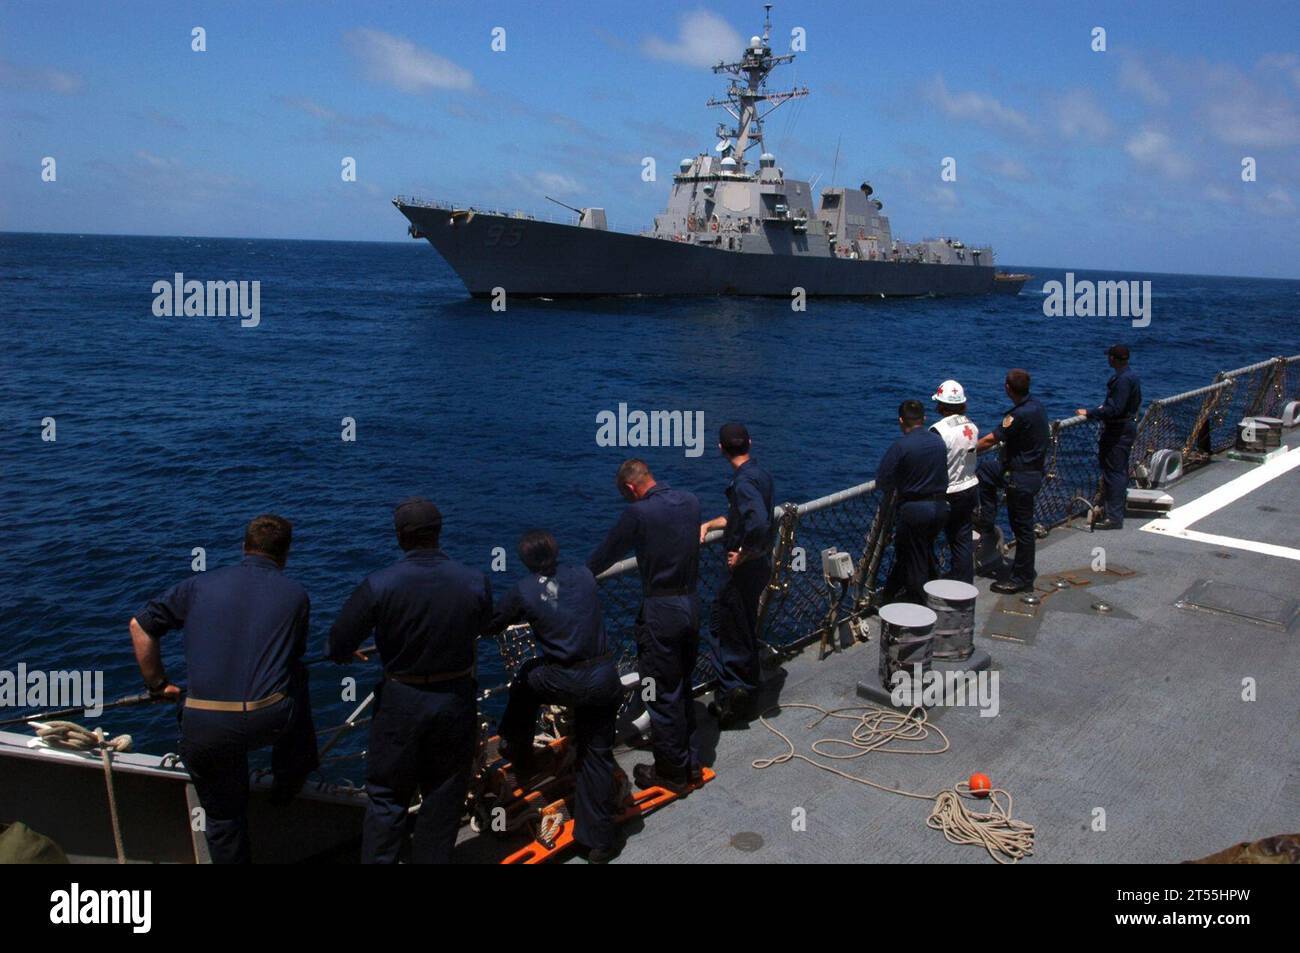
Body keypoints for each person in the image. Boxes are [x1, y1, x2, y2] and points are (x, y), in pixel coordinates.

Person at [129, 514, 318, 864]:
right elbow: (292, 656)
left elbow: (140, 627)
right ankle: (289, 780)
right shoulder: (296, 595)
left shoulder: (197, 586)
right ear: (285, 554)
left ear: (244, 547)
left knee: (223, 817)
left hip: (206, 725)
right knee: (298, 676)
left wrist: (158, 684)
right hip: (268, 719)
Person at [328, 498, 491, 864]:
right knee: (444, 793)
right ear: (439, 532)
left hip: (401, 699)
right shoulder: (474, 580)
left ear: (400, 536)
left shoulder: (379, 584)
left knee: (387, 795)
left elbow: (339, 643)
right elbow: (483, 624)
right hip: (454, 697)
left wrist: (347, 652)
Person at [484, 530, 623, 863]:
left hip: (566, 680)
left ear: (525, 560)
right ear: (556, 552)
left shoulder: (524, 590)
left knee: (527, 678)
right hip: (605, 677)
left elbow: (491, 624)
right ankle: (599, 843)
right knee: (596, 755)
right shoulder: (585, 575)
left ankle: (516, 747)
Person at [588, 459, 701, 794]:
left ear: (629, 488)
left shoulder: (638, 514)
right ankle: (690, 762)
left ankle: (671, 772)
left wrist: (575, 577)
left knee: (661, 690)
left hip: (661, 610)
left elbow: (605, 555)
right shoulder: (691, 501)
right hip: (691, 604)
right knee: (683, 684)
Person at [699, 422, 775, 727]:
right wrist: (710, 524)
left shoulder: (743, 483)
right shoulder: (760, 474)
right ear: (749, 443)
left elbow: (758, 522)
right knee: (742, 627)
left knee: (725, 629)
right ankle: (747, 688)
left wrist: (744, 553)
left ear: (720, 449)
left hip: (743, 569)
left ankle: (733, 697)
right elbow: (742, 515)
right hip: (759, 565)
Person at [975, 369, 1051, 594]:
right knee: (986, 471)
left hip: (1021, 477)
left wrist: (966, 450)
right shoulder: (1037, 407)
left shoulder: (1017, 415)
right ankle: (987, 519)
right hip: (1033, 472)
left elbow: (991, 440)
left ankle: (1021, 579)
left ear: (1008, 388)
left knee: (1022, 529)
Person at [876, 400, 950, 605]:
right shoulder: (938, 442)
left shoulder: (901, 446)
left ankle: (919, 605)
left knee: (914, 560)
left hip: (915, 510)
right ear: (923, 418)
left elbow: (883, 479)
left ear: (901, 420)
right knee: (922, 552)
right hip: (940, 508)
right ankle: (890, 595)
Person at [1076, 344, 1142, 530]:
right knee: (1118, 471)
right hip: (1126, 426)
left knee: (1115, 473)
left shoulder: (1122, 380)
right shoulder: (1131, 376)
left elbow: (1115, 409)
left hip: (1118, 430)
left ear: (1113, 358)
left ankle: (1114, 517)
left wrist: (1090, 412)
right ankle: (1113, 511)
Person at [929, 381, 980, 583]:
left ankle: (929, 582)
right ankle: (964, 583)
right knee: (962, 540)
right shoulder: (972, 426)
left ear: (941, 405)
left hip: (948, 492)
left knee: (926, 539)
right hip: (969, 487)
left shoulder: (938, 431)